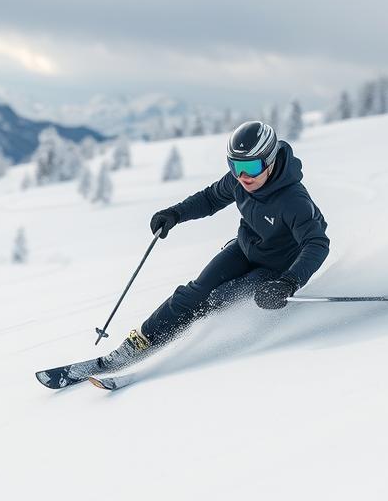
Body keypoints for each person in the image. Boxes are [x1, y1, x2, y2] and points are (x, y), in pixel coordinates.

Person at [92, 120, 330, 374]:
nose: (243, 176)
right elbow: (210, 198)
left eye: (251, 166)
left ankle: (184, 347)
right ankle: (140, 341)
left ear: (270, 160)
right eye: (236, 166)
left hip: (275, 270)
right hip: (244, 249)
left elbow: (317, 243)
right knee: (193, 293)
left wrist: (288, 282)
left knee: (220, 300)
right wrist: (175, 214)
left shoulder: (293, 200)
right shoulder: (239, 182)